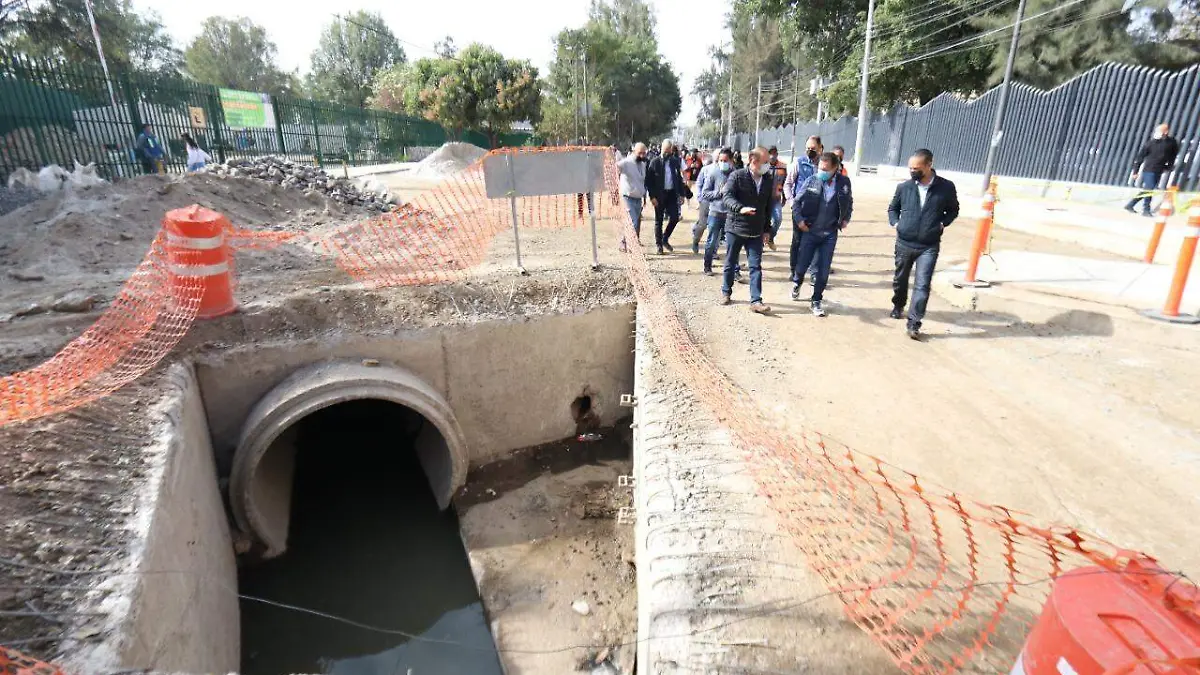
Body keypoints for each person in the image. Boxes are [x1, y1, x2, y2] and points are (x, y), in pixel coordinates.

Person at [888, 149, 960, 340]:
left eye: (917, 168)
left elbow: (953, 210)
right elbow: (892, 209)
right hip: (904, 242)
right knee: (900, 280)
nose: (913, 172)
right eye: (910, 168)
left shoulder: (946, 187)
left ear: (929, 165)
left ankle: (914, 322)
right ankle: (898, 304)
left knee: (922, 285)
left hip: (928, 245)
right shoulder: (904, 187)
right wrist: (896, 223)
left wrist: (942, 224)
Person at [790, 152, 853, 316]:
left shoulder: (844, 183)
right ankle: (797, 282)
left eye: (825, 169)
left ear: (835, 168)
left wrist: (846, 217)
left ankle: (816, 300)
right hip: (810, 231)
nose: (821, 171)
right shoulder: (812, 180)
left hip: (830, 234)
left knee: (823, 270)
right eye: (820, 168)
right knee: (802, 264)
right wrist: (800, 221)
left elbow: (849, 201)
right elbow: (796, 202)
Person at [720, 146, 774, 314]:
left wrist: (767, 230)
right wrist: (739, 208)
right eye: (765, 162)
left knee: (755, 266)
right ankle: (726, 292)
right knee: (730, 263)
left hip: (756, 231)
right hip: (735, 228)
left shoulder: (767, 179)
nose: (768, 165)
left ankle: (756, 300)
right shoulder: (737, 176)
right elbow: (727, 197)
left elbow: (767, 206)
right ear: (753, 160)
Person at [785, 136, 823, 281]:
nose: (809, 151)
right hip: (799, 209)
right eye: (807, 148)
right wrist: (791, 201)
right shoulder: (799, 163)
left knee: (816, 241)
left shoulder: (824, 165)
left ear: (820, 148)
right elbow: (788, 183)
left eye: (813, 149)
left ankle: (814, 274)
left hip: (818, 211)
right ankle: (794, 270)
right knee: (797, 241)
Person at [1125, 123, 1180, 217]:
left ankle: (1130, 204)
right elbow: (1140, 157)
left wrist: (1169, 166)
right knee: (1149, 189)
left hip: (1159, 169)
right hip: (1149, 169)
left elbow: (1173, 155)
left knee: (1148, 189)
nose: (1157, 133)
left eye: (1160, 131)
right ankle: (1146, 209)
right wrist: (1135, 171)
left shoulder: (1171, 143)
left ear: (1166, 132)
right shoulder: (1151, 143)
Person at [646, 139, 687, 255]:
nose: (666, 153)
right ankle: (659, 245)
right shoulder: (655, 162)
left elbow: (678, 179)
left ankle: (665, 238)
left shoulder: (674, 161)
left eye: (668, 150)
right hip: (659, 196)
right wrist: (652, 197)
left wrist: (682, 194)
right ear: (661, 149)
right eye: (665, 150)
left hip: (672, 195)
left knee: (675, 218)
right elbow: (649, 182)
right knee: (659, 221)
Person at [699, 148, 735, 275]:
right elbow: (705, 193)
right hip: (715, 213)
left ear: (731, 160)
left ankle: (734, 270)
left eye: (725, 160)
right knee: (712, 241)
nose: (723, 163)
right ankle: (707, 266)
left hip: (731, 215)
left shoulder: (736, 175)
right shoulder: (713, 173)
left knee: (732, 244)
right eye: (720, 160)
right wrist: (719, 192)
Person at [617, 142, 649, 243]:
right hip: (628, 197)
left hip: (638, 199)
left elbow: (642, 181)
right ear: (634, 151)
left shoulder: (643, 164)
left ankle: (624, 242)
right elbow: (614, 168)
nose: (642, 155)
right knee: (632, 223)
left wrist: (644, 197)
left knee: (635, 223)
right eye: (640, 153)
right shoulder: (626, 162)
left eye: (644, 153)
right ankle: (630, 246)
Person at [765, 146, 789, 250]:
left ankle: (771, 237)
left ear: (777, 154)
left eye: (774, 153)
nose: (772, 156)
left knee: (778, 219)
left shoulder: (783, 167)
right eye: (770, 153)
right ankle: (760, 242)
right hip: (764, 199)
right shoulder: (764, 166)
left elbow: (786, 183)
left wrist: (785, 197)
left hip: (776, 199)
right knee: (762, 221)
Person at [692, 154, 715, 253]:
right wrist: (700, 198)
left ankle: (713, 251)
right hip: (706, 201)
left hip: (718, 203)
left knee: (715, 227)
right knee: (702, 225)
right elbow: (699, 183)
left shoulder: (727, 171)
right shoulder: (706, 169)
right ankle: (695, 241)